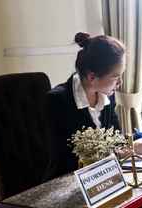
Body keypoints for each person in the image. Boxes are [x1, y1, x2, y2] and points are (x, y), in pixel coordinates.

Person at [45, 32, 125, 179]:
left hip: (102, 178)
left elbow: (117, 139)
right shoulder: (57, 101)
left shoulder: (107, 94)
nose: (120, 83)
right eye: (115, 77)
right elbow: (65, 158)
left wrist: (129, 148)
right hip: (67, 183)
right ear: (92, 77)